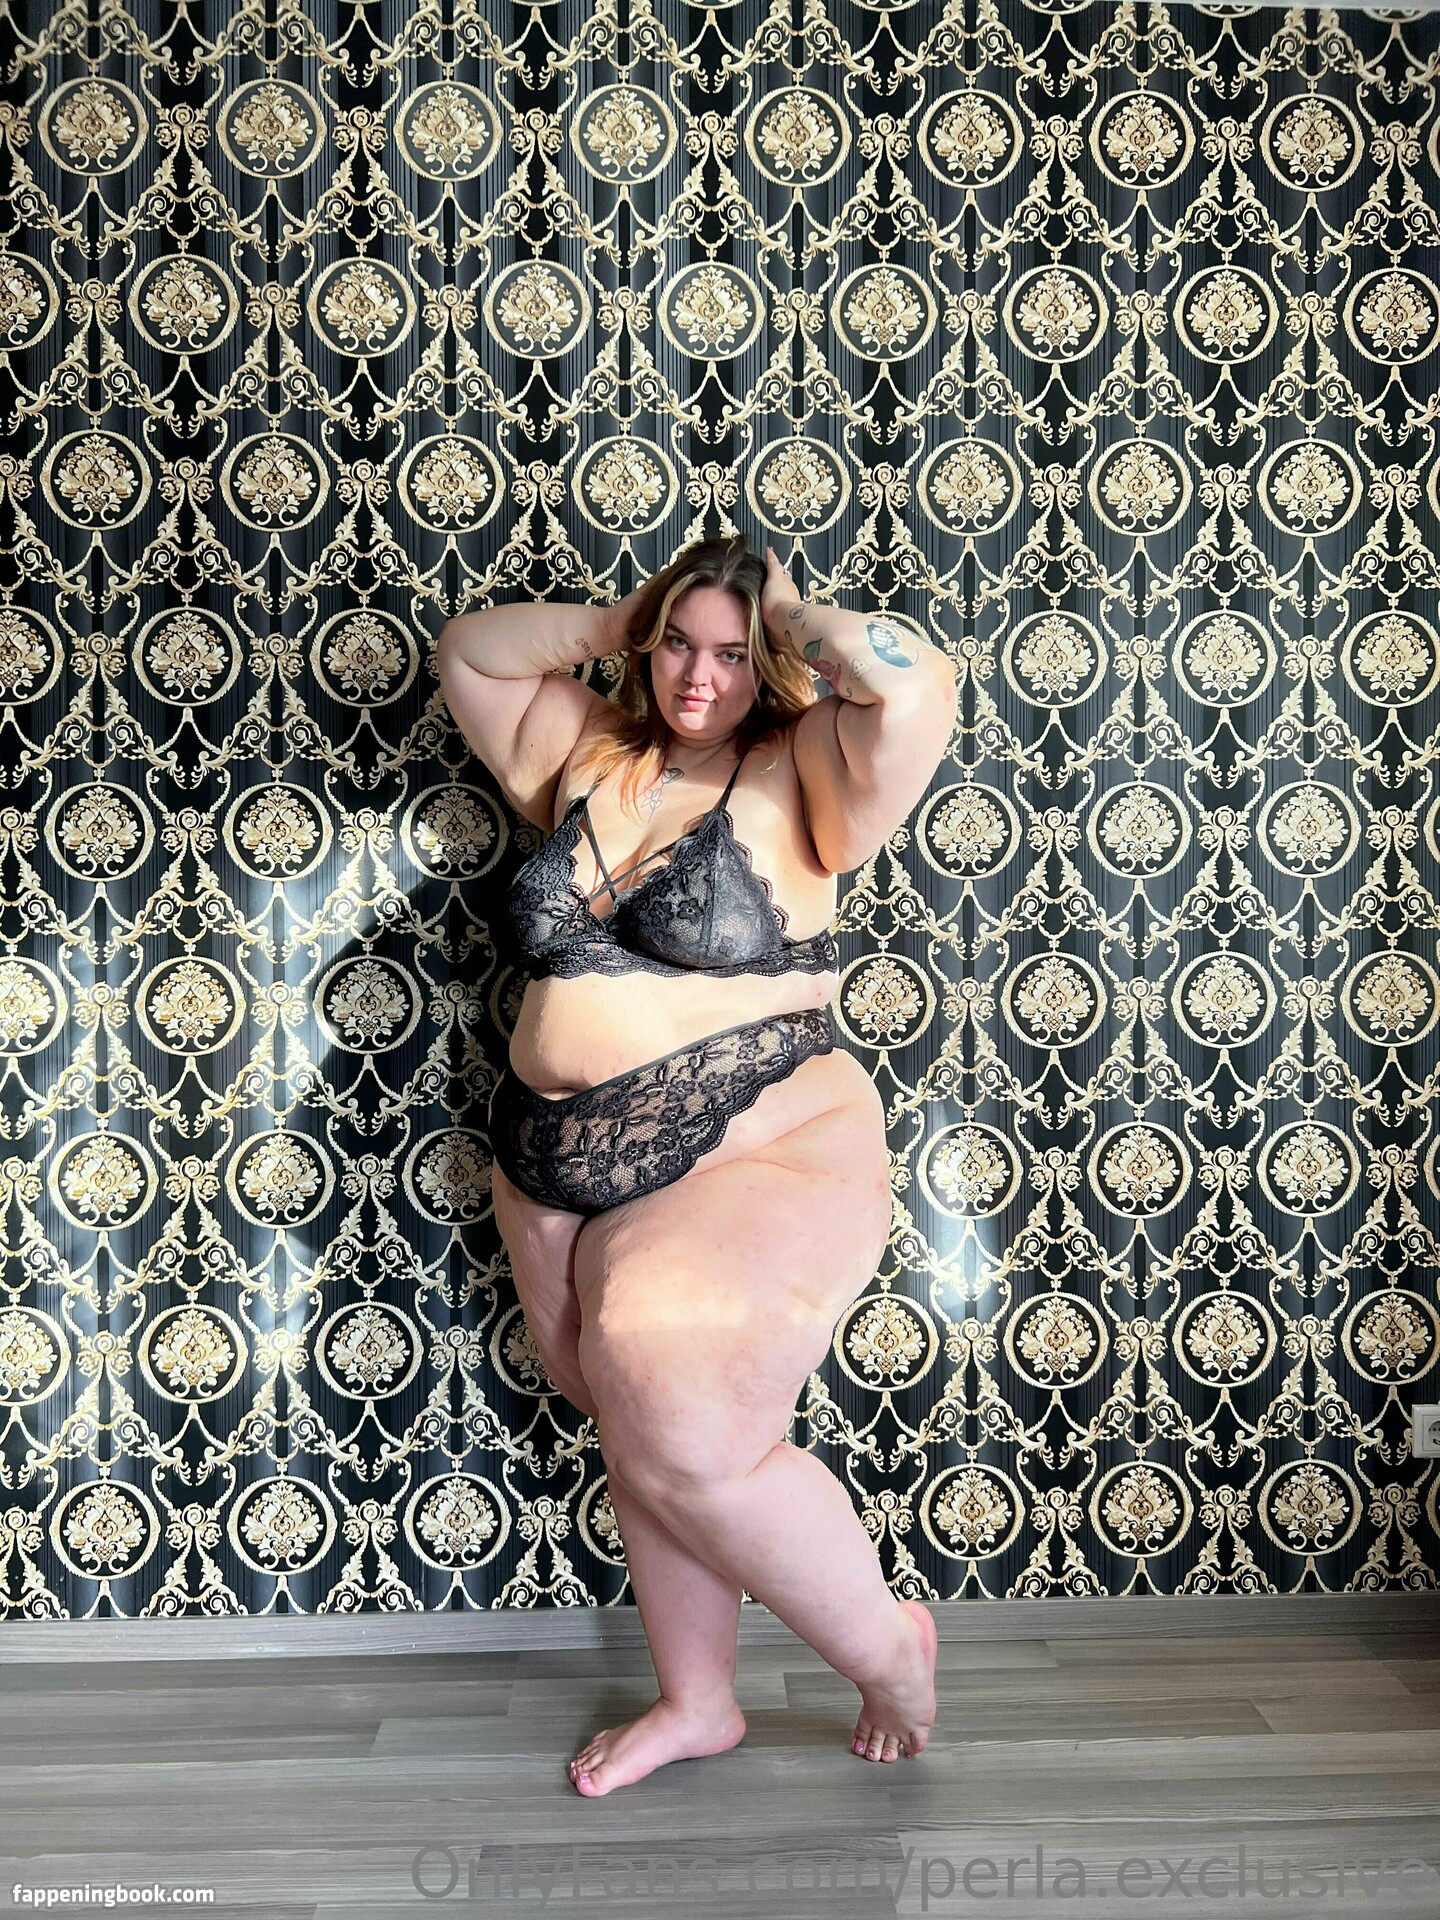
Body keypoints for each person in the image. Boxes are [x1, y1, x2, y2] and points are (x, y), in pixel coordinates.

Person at [436, 534, 958, 1795]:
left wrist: (789, 611)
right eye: (680, 645)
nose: (698, 676)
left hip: (752, 1142)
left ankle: (887, 1649)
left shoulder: (810, 766)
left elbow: (916, 683)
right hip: (551, 1170)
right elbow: (468, 651)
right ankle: (698, 1701)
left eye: (730, 653)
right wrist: (623, 617)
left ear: (767, 657)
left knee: (679, 1414)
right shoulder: (590, 751)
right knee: (639, 1431)